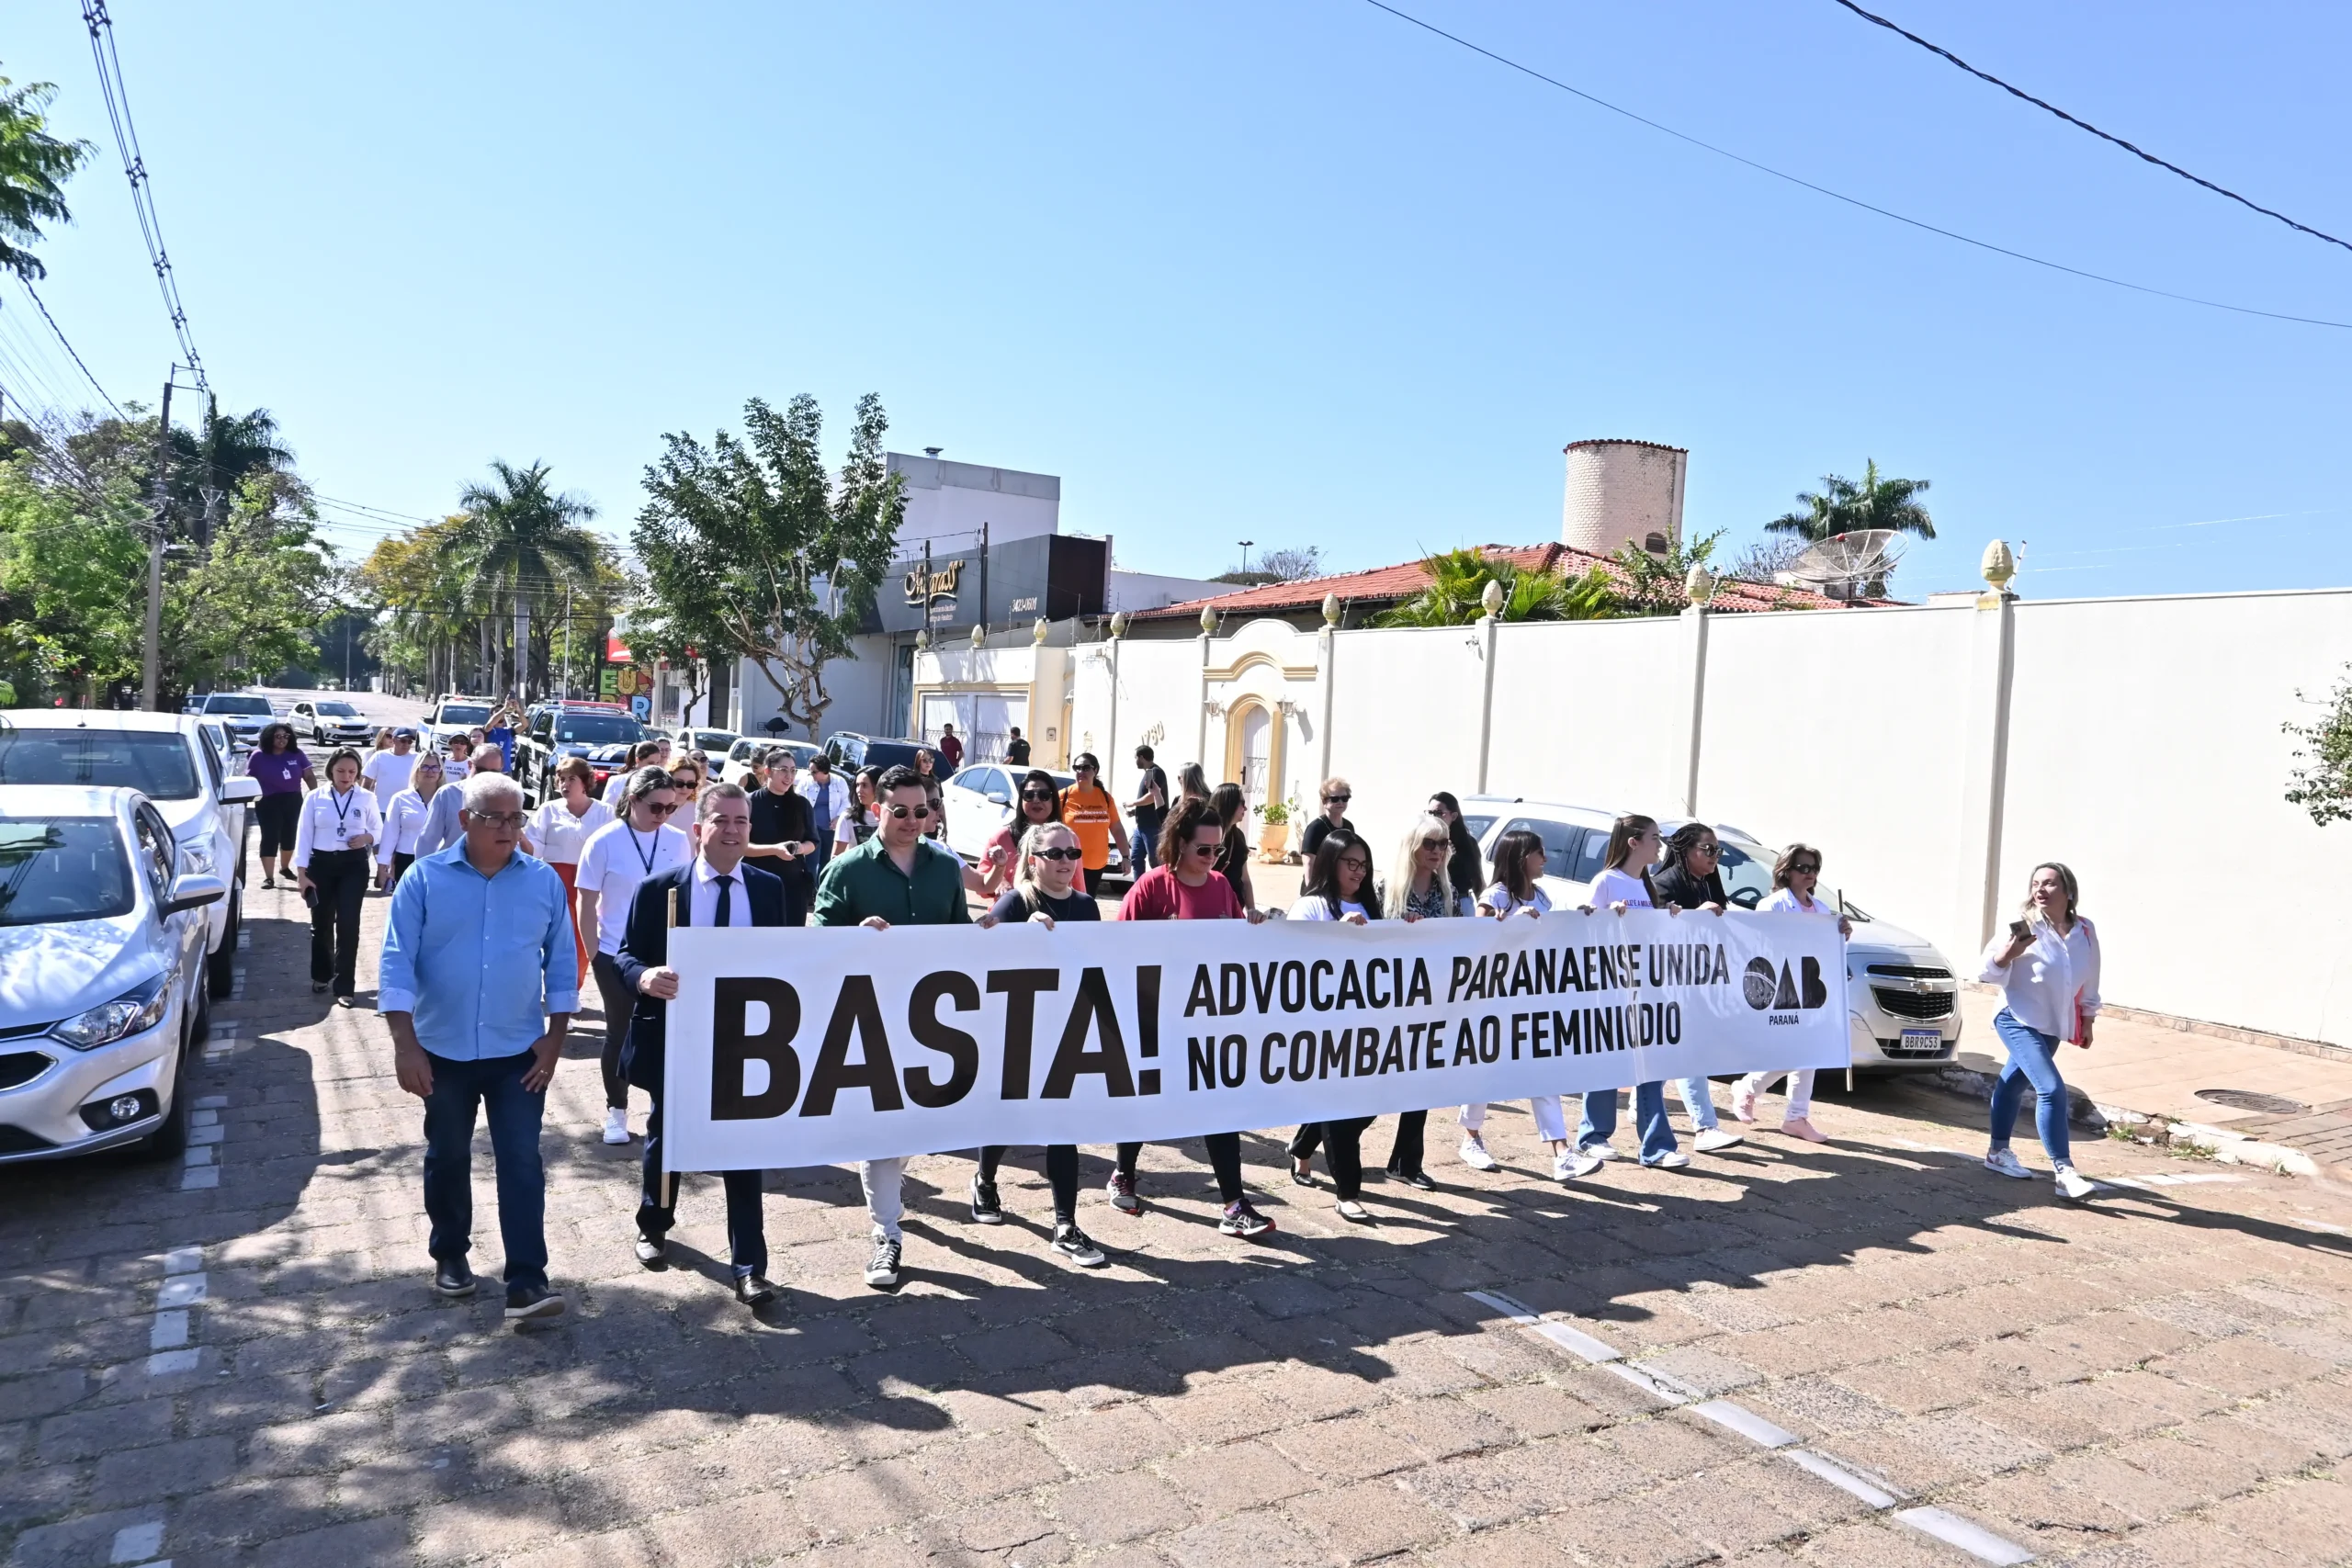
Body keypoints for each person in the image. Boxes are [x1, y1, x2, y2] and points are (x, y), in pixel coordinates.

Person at [378, 770, 576, 1323]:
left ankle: (527, 1282)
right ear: (465, 820)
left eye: (517, 817)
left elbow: (561, 964)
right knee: (448, 1155)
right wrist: (404, 1045)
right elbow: (395, 963)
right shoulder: (424, 879)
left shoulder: (542, 882)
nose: (509, 829)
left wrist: (555, 1039)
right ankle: (451, 1255)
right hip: (440, 1051)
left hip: (518, 1052)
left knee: (520, 1161)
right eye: (496, 818)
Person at [616, 783, 803, 1305]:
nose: (733, 830)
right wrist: (645, 977)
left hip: (745, 1040)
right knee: (666, 1135)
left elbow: (786, 960)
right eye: (722, 820)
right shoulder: (661, 890)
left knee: (743, 1148)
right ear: (698, 830)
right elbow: (626, 956)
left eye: (742, 821)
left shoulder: (768, 889)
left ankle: (749, 1265)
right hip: (676, 1036)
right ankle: (654, 1225)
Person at [812, 765, 971, 1290]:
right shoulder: (848, 869)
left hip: (933, 1024)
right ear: (877, 808)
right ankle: (887, 1233)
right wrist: (851, 936)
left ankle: (891, 1204)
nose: (910, 820)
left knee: (912, 1128)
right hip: (867, 1020)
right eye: (899, 810)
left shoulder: (944, 869)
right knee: (880, 1129)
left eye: (920, 811)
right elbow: (815, 936)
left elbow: (962, 940)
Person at [1109, 798, 1276, 1237]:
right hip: (1156, 1017)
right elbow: (1116, 950)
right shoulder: (1150, 887)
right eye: (1204, 849)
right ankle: (1123, 1172)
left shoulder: (1222, 886)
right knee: (1146, 1100)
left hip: (1207, 1022)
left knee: (1220, 1110)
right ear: (1180, 845)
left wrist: (1252, 923)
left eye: (1218, 850)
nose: (1213, 858)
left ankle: (1234, 1203)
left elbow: (1233, 950)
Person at [968, 820, 1108, 1268]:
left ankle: (1065, 1223)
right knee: (1007, 1115)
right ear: (1034, 860)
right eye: (1055, 854)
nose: (1066, 861)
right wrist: (1018, 933)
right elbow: (980, 946)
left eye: (1073, 853)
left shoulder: (1087, 906)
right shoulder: (1015, 901)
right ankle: (985, 1179)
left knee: (1062, 1128)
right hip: (1017, 1031)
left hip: (1066, 1031)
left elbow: (1097, 965)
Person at [573, 768, 693, 1145]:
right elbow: (586, 901)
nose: (663, 815)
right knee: (620, 1032)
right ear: (634, 800)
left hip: (668, 956)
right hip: (616, 954)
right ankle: (617, 1110)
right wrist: (595, 955)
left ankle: (668, 1111)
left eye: (671, 808)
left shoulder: (677, 840)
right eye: (655, 807)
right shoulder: (604, 840)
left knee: (673, 1034)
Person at [1570, 815, 1687, 1173]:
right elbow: (1584, 923)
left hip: (1645, 988)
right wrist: (1606, 916)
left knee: (1651, 1065)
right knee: (1607, 1062)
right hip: (1611, 988)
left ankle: (1655, 1146)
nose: (1659, 844)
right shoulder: (1607, 881)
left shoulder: (1646, 886)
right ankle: (1593, 1136)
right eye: (1654, 837)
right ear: (1633, 842)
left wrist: (1670, 917)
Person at [1457, 828, 1574, 1179]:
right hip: (1494, 998)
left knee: (1542, 1070)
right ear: (1524, 858)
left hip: (1532, 997)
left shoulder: (1542, 897)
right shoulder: (1495, 896)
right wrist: (1509, 925)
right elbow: (1477, 941)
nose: (1545, 859)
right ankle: (1471, 1138)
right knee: (1485, 1068)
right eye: (1540, 853)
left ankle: (1561, 1151)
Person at [1980, 863, 2100, 1201]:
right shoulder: (2025, 927)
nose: (2040, 890)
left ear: (2068, 891)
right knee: (2050, 1088)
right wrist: (2009, 953)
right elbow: (1986, 971)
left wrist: (2087, 1018)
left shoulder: (2085, 931)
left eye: (2049, 884)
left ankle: (1996, 1153)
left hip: (2051, 1025)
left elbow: (2090, 977)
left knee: (2013, 1081)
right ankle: (2065, 1172)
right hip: (2015, 1017)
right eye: (2036, 884)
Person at [1283, 829, 1385, 1221]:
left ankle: (1303, 1146)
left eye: (1364, 866)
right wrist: (1339, 931)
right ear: (1331, 861)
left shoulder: (1371, 906)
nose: (1359, 873)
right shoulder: (1310, 907)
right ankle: (1348, 1192)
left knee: (1370, 1105)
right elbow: (1295, 960)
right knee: (1343, 1107)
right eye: (1351, 864)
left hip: (1367, 1025)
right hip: (1321, 1028)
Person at [1731, 843, 1851, 1144]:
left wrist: (1842, 935)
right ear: (1787, 871)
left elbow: (1827, 951)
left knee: (1808, 1051)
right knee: (1791, 1051)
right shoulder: (1772, 905)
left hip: (1810, 986)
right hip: (1782, 985)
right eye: (1804, 868)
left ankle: (1796, 1116)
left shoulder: (1822, 910)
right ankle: (1749, 1088)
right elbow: (1761, 944)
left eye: (1815, 869)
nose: (1810, 874)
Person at [1647, 824, 1747, 1156]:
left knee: (1669, 1050)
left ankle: (1639, 1104)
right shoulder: (1664, 884)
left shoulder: (1710, 884)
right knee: (1691, 1051)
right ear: (1686, 850)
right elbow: (1654, 929)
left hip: (1698, 984)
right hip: (1667, 984)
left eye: (1718, 851)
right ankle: (1705, 1127)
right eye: (1708, 849)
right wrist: (1693, 917)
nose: (1714, 856)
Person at [293, 748, 382, 1006]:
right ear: (331, 769)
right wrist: (301, 874)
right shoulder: (314, 797)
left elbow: (378, 828)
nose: (346, 776)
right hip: (320, 864)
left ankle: (345, 986)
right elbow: (304, 836)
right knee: (321, 922)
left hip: (353, 866)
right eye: (341, 770)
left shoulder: (366, 798)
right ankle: (321, 975)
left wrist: (366, 838)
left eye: (352, 771)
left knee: (348, 924)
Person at [522, 757, 613, 983]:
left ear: (585, 782)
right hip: (554, 882)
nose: (565, 784)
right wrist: (518, 834)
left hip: (590, 882)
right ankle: (550, 984)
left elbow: (613, 849)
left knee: (581, 938)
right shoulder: (548, 810)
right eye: (561, 779)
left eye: (571, 779)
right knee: (554, 937)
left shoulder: (605, 812)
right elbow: (533, 850)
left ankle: (573, 987)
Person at [981, 768, 1080, 900]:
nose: (1036, 800)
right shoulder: (1002, 837)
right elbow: (981, 882)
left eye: (1044, 795)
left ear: (1054, 800)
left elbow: (1079, 886)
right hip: (1011, 916)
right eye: (1029, 795)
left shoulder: (1069, 838)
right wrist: (999, 880)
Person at [246, 722, 316, 890]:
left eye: (286, 736)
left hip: (293, 800)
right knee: (270, 836)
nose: (282, 740)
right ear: (269, 737)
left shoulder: (297, 754)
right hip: (268, 801)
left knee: (290, 835)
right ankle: (269, 877)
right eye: (278, 736)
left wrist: (316, 796)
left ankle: (284, 868)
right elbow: (249, 780)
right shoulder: (258, 756)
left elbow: (309, 776)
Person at [745, 746, 820, 904]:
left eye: (793, 770)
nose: (789, 776)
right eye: (783, 770)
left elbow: (813, 841)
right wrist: (774, 850)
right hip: (757, 881)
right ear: (768, 771)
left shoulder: (802, 804)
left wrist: (800, 848)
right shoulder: (750, 803)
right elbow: (741, 846)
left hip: (793, 884)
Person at [413, 742, 507, 858]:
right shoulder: (448, 794)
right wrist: (422, 873)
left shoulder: (507, 798)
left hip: (492, 872)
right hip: (451, 870)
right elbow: (427, 840)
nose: (486, 776)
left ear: (501, 769)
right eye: (481, 770)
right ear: (469, 764)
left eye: (493, 772)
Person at [377, 753, 448, 889]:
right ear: (416, 770)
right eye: (425, 767)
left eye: (435, 767)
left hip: (440, 860)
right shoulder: (400, 798)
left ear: (441, 771)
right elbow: (389, 835)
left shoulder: (448, 797)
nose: (430, 771)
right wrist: (382, 866)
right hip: (406, 860)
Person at [1059, 753, 1125, 886]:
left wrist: (1126, 857)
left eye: (1085, 768)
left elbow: (1117, 829)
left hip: (1097, 865)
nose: (1080, 771)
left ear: (1095, 770)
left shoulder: (1105, 797)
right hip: (1069, 862)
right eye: (1077, 768)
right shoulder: (1063, 796)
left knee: (1086, 903)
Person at [1428, 791, 1486, 901]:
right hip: (1432, 903)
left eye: (1439, 813)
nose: (1433, 817)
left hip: (1461, 901)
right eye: (1430, 813)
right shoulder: (1421, 841)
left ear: (1453, 816)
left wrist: (1485, 910)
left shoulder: (1467, 843)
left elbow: (1478, 880)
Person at [1208, 782, 1256, 916]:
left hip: (1233, 910)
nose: (1245, 808)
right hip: (1210, 911)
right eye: (1242, 803)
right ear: (1229, 804)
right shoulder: (1206, 836)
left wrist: (1251, 910)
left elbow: (1245, 879)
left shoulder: (1238, 836)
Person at [798, 753, 849, 877]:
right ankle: (811, 890)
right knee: (811, 862)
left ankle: (823, 888)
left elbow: (847, 802)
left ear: (824, 771)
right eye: (810, 771)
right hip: (812, 829)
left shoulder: (839, 782)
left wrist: (838, 817)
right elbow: (797, 800)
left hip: (830, 830)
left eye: (814, 772)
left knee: (827, 861)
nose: (812, 775)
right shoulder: (806, 782)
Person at [1127, 744, 1170, 872]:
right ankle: (1139, 889)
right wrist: (1135, 812)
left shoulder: (1156, 772)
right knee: (1135, 859)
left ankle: (1159, 889)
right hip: (1141, 827)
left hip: (1152, 826)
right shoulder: (1148, 773)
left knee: (1155, 861)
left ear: (1141, 757)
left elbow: (1152, 796)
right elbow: (1149, 802)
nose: (1135, 761)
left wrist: (1133, 803)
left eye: (1136, 758)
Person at [364, 728, 420, 818]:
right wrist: (364, 804)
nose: (406, 744)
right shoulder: (379, 756)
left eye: (409, 742)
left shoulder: (417, 758)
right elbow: (367, 783)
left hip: (407, 810)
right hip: (382, 809)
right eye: (403, 740)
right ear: (394, 740)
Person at [1301, 778, 1354, 859]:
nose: (1340, 802)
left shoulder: (1349, 826)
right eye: (1335, 799)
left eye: (1344, 798)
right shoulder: (1315, 828)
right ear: (1324, 802)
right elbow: (1309, 863)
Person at [835, 764, 883, 853]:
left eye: (864, 785)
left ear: (878, 787)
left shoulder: (892, 815)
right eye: (857, 785)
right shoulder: (848, 817)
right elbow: (836, 857)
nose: (859, 790)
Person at [603, 740, 664, 807]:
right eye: (650, 763)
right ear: (637, 760)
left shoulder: (662, 783)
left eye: (657, 763)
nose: (654, 767)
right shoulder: (616, 781)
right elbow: (606, 809)